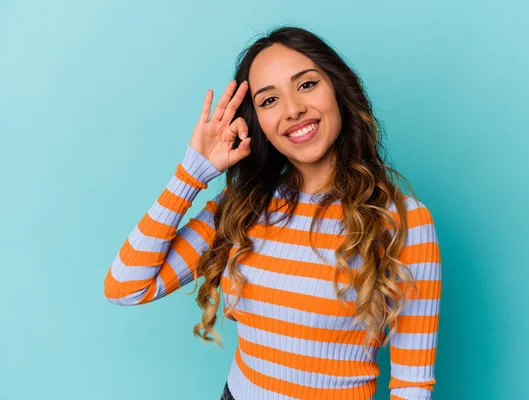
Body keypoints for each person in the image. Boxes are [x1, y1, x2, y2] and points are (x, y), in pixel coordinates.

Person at [104, 25, 442, 400]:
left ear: (337, 89)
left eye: (307, 84)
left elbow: (412, 385)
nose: (293, 109)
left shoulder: (404, 222)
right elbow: (126, 287)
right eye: (269, 100)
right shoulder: (242, 207)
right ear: (257, 123)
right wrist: (192, 173)